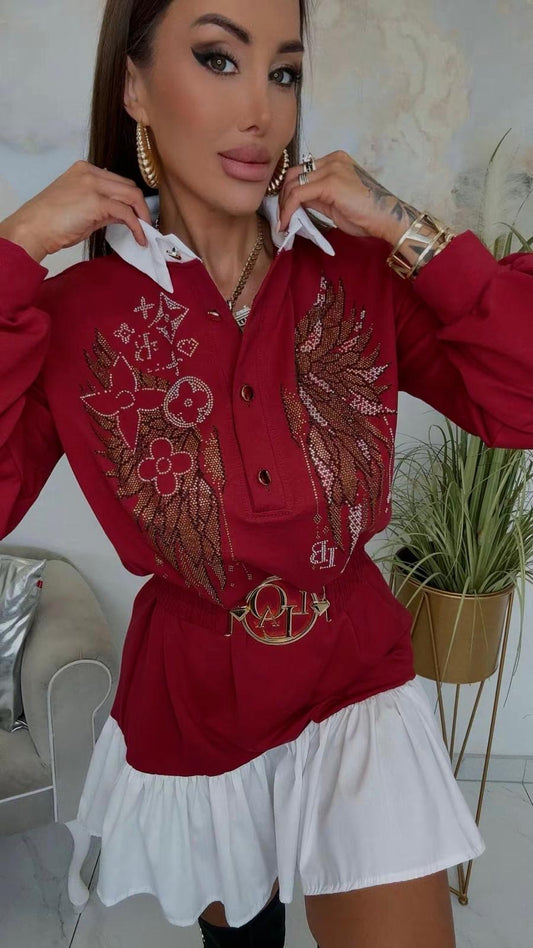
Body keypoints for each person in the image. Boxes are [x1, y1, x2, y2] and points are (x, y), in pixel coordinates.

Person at [2, 1, 533, 945]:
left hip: (354, 684)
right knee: (240, 939)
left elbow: (520, 394)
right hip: (197, 705)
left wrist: (399, 223)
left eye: (283, 72)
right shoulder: (72, 316)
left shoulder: (359, 272)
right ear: (135, 86)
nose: (261, 110)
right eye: (218, 59)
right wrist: (12, 252)